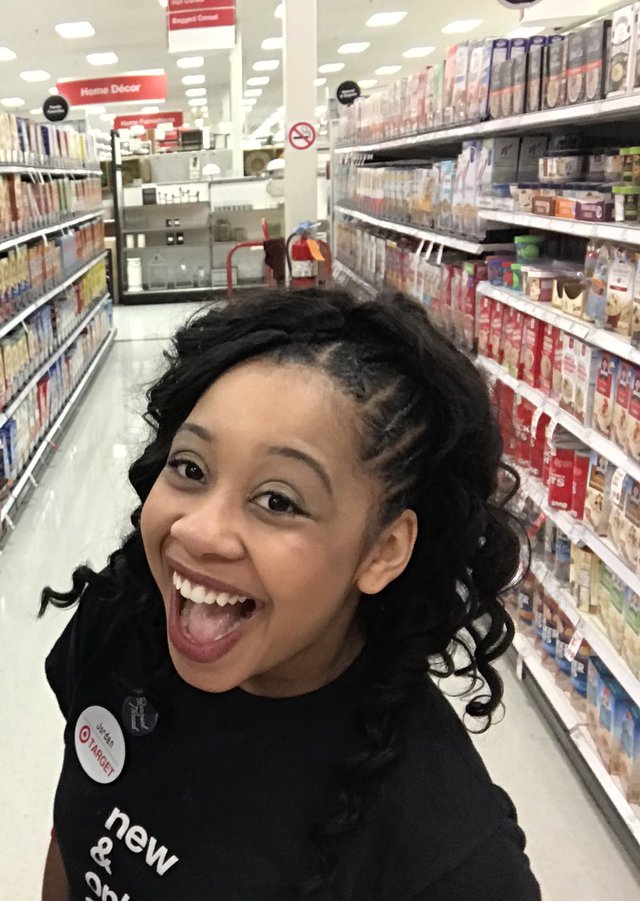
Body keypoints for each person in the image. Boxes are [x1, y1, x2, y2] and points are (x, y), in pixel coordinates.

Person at [40, 288, 542, 900]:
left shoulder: (448, 859)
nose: (197, 532)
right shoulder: (120, 623)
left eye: (278, 500)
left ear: (384, 550)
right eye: (192, 469)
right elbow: (72, 834)